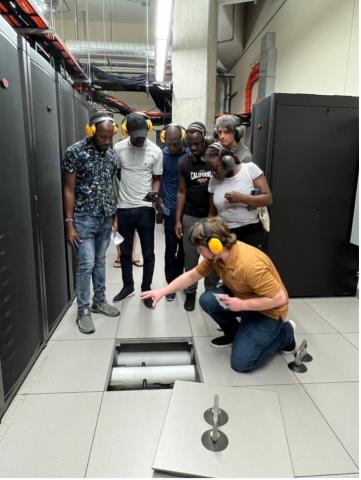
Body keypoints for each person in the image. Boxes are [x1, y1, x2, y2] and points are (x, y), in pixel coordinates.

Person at [141, 216, 295, 373]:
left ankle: (285, 333)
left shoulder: (250, 265)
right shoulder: (216, 257)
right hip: (242, 297)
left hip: (268, 312)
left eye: (200, 249)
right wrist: (162, 291)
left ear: (214, 245)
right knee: (208, 300)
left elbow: (279, 298)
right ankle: (235, 333)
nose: (199, 252)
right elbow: (192, 276)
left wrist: (242, 305)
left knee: (241, 364)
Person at [63, 111, 120, 334]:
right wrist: (69, 223)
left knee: (99, 261)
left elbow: (110, 187)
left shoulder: (111, 155)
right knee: (85, 264)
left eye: (110, 137)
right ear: (92, 131)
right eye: (103, 137)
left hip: (106, 217)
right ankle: (83, 311)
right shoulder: (74, 152)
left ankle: (99, 301)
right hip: (83, 218)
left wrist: (114, 216)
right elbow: (68, 189)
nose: (107, 141)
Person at [113, 112, 163, 308]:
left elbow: (157, 178)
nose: (141, 139)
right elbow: (117, 173)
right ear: (128, 132)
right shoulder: (118, 149)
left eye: (143, 135)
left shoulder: (155, 151)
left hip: (145, 208)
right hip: (124, 207)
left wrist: (154, 194)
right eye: (137, 136)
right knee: (125, 253)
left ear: (148, 130)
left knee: (149, 254)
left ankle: (146, 290)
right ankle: (128, 286)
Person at [175, 121, 218, 311]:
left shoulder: (213, 159)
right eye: (190, 144)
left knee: (213, 256)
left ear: (205, 140)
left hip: (212, 217)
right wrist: (178, 219)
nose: (194, 148)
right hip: (190, 216)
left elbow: (215, 189)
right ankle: (190, 292)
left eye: (198, 143)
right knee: (190, 257)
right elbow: (182, 192)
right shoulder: (183, 162)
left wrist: (211, 217)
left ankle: (210, 292)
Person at [206, 143, 272, 251]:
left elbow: (268, 199)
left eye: (215, 168)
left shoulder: (249, 170)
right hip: (225, 233)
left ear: (227, 162)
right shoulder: (214, 181)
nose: (212, 173)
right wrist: (210, 234)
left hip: (251, 232)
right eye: (209, 170)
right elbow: (212, 213)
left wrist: (241, 198)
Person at [158, 124, 187, 301]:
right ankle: (170, 286)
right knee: (170, 249)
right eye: (170, 144)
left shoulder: (189, 155)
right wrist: (158, 199)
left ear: (182, 138)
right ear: (165, 140)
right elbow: (158, 179)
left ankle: (182, 281)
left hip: (187, 211)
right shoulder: (162, 156)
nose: (173, 147)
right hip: (169, 209)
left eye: (176, 143)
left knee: (185, 250)